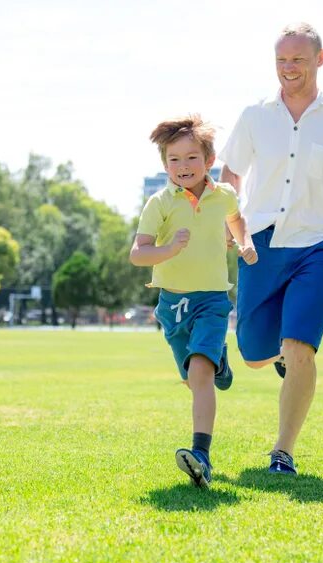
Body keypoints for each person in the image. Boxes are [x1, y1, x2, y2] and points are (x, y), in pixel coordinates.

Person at [219, 22, 323, 475]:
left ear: (320, 59)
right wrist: (228, 217)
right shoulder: (254, 117)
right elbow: (230, 175)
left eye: (297, 59)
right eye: (281, 60)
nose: (288, 68)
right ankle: (278, 358)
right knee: (254, 353)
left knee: (301, 349)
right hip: (260, 242)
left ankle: (283, 451)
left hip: (317, 243)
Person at [130, 115, 258, 488]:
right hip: (172, 306)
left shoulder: (224, 196)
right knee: (192, 379)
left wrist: (244, 242)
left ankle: (201, 454)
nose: (182, 167)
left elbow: (237, 220)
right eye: (173, 160)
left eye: (191, 158)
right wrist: (168, 248)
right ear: (164, 164)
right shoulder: (160, 203)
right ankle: (220, 362)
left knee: (200, 374)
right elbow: (138, 254)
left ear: (209, 159)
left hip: (213, 299)